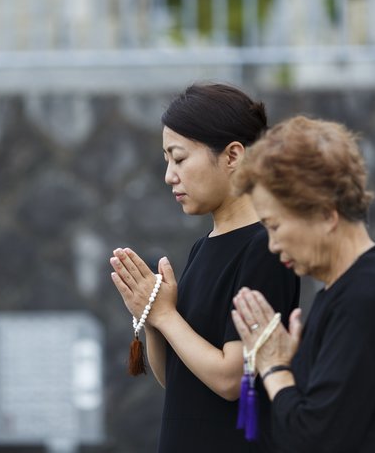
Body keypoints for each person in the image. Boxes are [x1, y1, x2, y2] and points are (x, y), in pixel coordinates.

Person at [231, 115, 375, 452]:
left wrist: (273, 367)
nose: (272, 245)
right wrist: (294, 369)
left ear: (325, 215)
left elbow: (312, 438)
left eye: (274, 226)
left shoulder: (368, 297)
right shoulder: (354, 287)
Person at [109, 83, 300, 452]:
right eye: (167, 160)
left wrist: (166, 316)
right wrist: (149, 314)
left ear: (232, 156)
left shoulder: (264, 248)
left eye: (179, 159)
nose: (169, 175)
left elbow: (231, 378)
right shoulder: (202, 248)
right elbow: (174, 378)